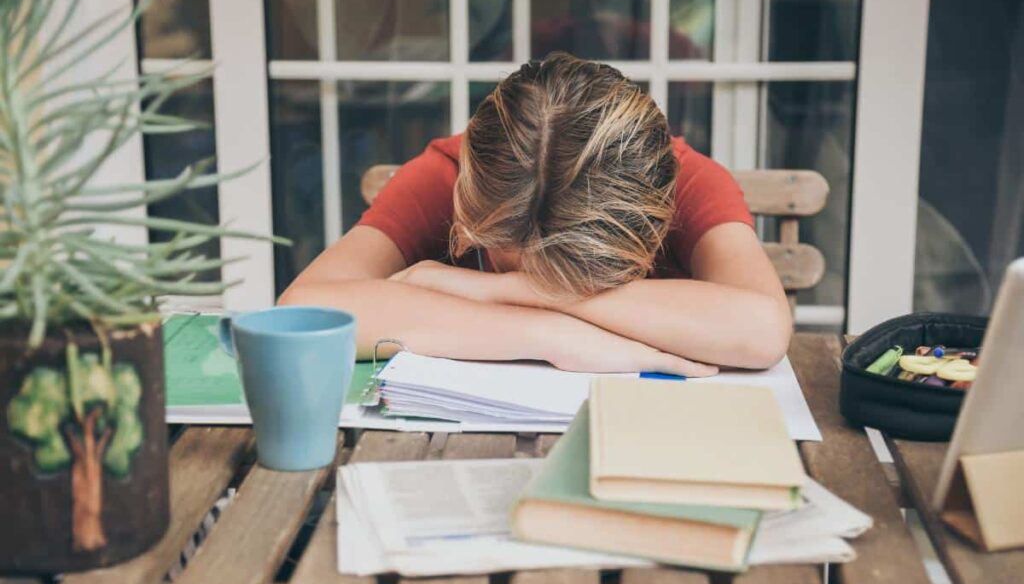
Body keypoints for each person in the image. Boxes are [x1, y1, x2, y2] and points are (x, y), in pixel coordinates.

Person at [280, 53, 791, 376]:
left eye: (573, 274)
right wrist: (547, 335)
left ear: (651, 218)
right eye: (512, 261)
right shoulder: (446, 175)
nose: (531, 278)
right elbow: (302, 315)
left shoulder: (689, 181)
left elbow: (762, 329)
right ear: (466, 200)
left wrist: (500, 288)